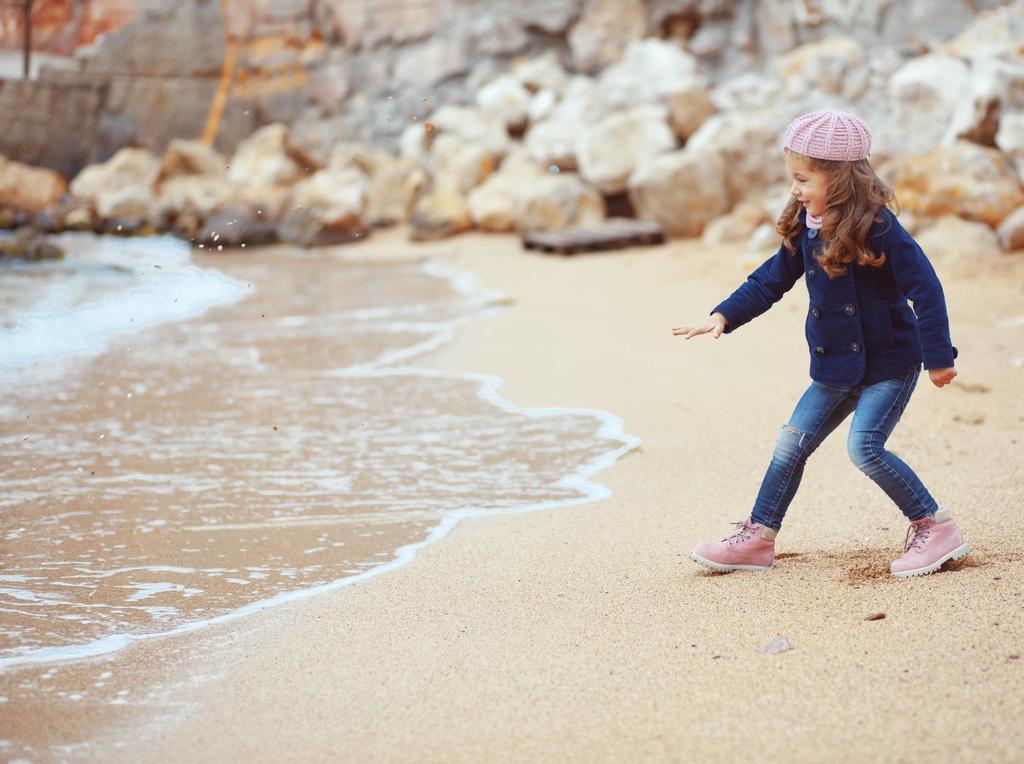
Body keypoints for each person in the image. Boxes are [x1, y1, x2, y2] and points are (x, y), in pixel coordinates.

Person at [672, 108, 970, 578]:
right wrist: (724, 314)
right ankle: (758, 538)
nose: (795, 188)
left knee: (865, 448)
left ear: (841, 178)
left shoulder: (880, 229)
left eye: (803, 178)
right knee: (789, 446)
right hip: (833, 368)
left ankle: (935, 526)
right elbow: (770, 281)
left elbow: (925, 290)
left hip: (889, 363)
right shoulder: (804, 227)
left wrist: (938, 356)